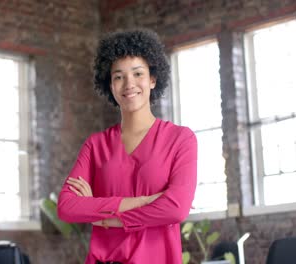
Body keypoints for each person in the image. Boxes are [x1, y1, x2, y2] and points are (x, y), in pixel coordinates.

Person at [57, 28, 197, 264]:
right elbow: (67, 207)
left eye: (138, 73)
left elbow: (176, 208)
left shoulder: (181, 139)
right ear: (110, 86)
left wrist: (103, 217)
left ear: (153, 79)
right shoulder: (95, 145)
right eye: (119, 76)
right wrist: (145, 201)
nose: (128, 84)